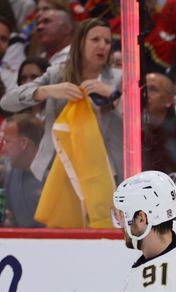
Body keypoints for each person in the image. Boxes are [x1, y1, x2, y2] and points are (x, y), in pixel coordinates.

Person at [0, 17, 122, 183]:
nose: (103, 46)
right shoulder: (57, 74)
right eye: (95, 39)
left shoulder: (118, 79)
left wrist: (114, 96)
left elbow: (140, 123)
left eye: (107, 41)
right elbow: (6, 102)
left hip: (104, 173)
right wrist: (47, 90)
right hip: (56, 169)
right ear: (79, 43)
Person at [1, 112, 43, 227]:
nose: (3, 147)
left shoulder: (53, 177)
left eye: (7, 141)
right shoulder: (12, 175)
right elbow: (11, 220)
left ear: (24, 143)